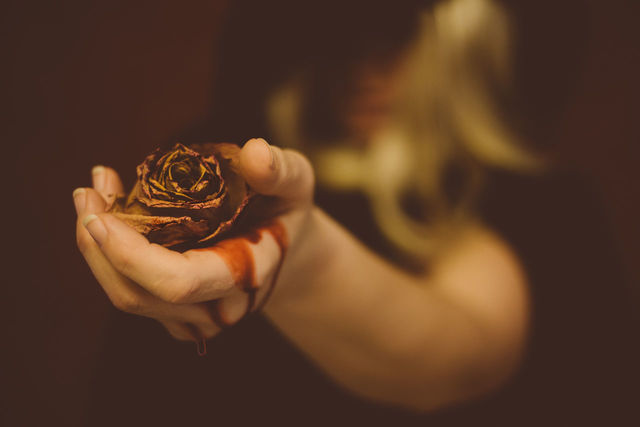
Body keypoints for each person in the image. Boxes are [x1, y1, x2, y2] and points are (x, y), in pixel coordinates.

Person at [74, 0, 637, 425]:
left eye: (396, 39)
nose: (363, 70)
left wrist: (302, 260)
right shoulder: (230, 171)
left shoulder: (530, 202)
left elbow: (461, 354)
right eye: (338, 42)